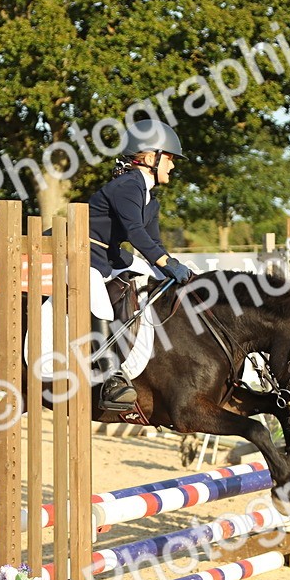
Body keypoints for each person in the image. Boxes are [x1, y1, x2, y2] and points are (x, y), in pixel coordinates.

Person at [85, 119, 195, 411]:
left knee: (150, 275)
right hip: (79, 252)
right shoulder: (128, 185)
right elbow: (136, 234)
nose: (172, 166)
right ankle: (108, 375)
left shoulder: (151, 199)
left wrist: (176, 272)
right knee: (98, 295)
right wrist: (167, 263)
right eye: (169, 158)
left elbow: (154, 246)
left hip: (108, 254)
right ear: (149, 157)